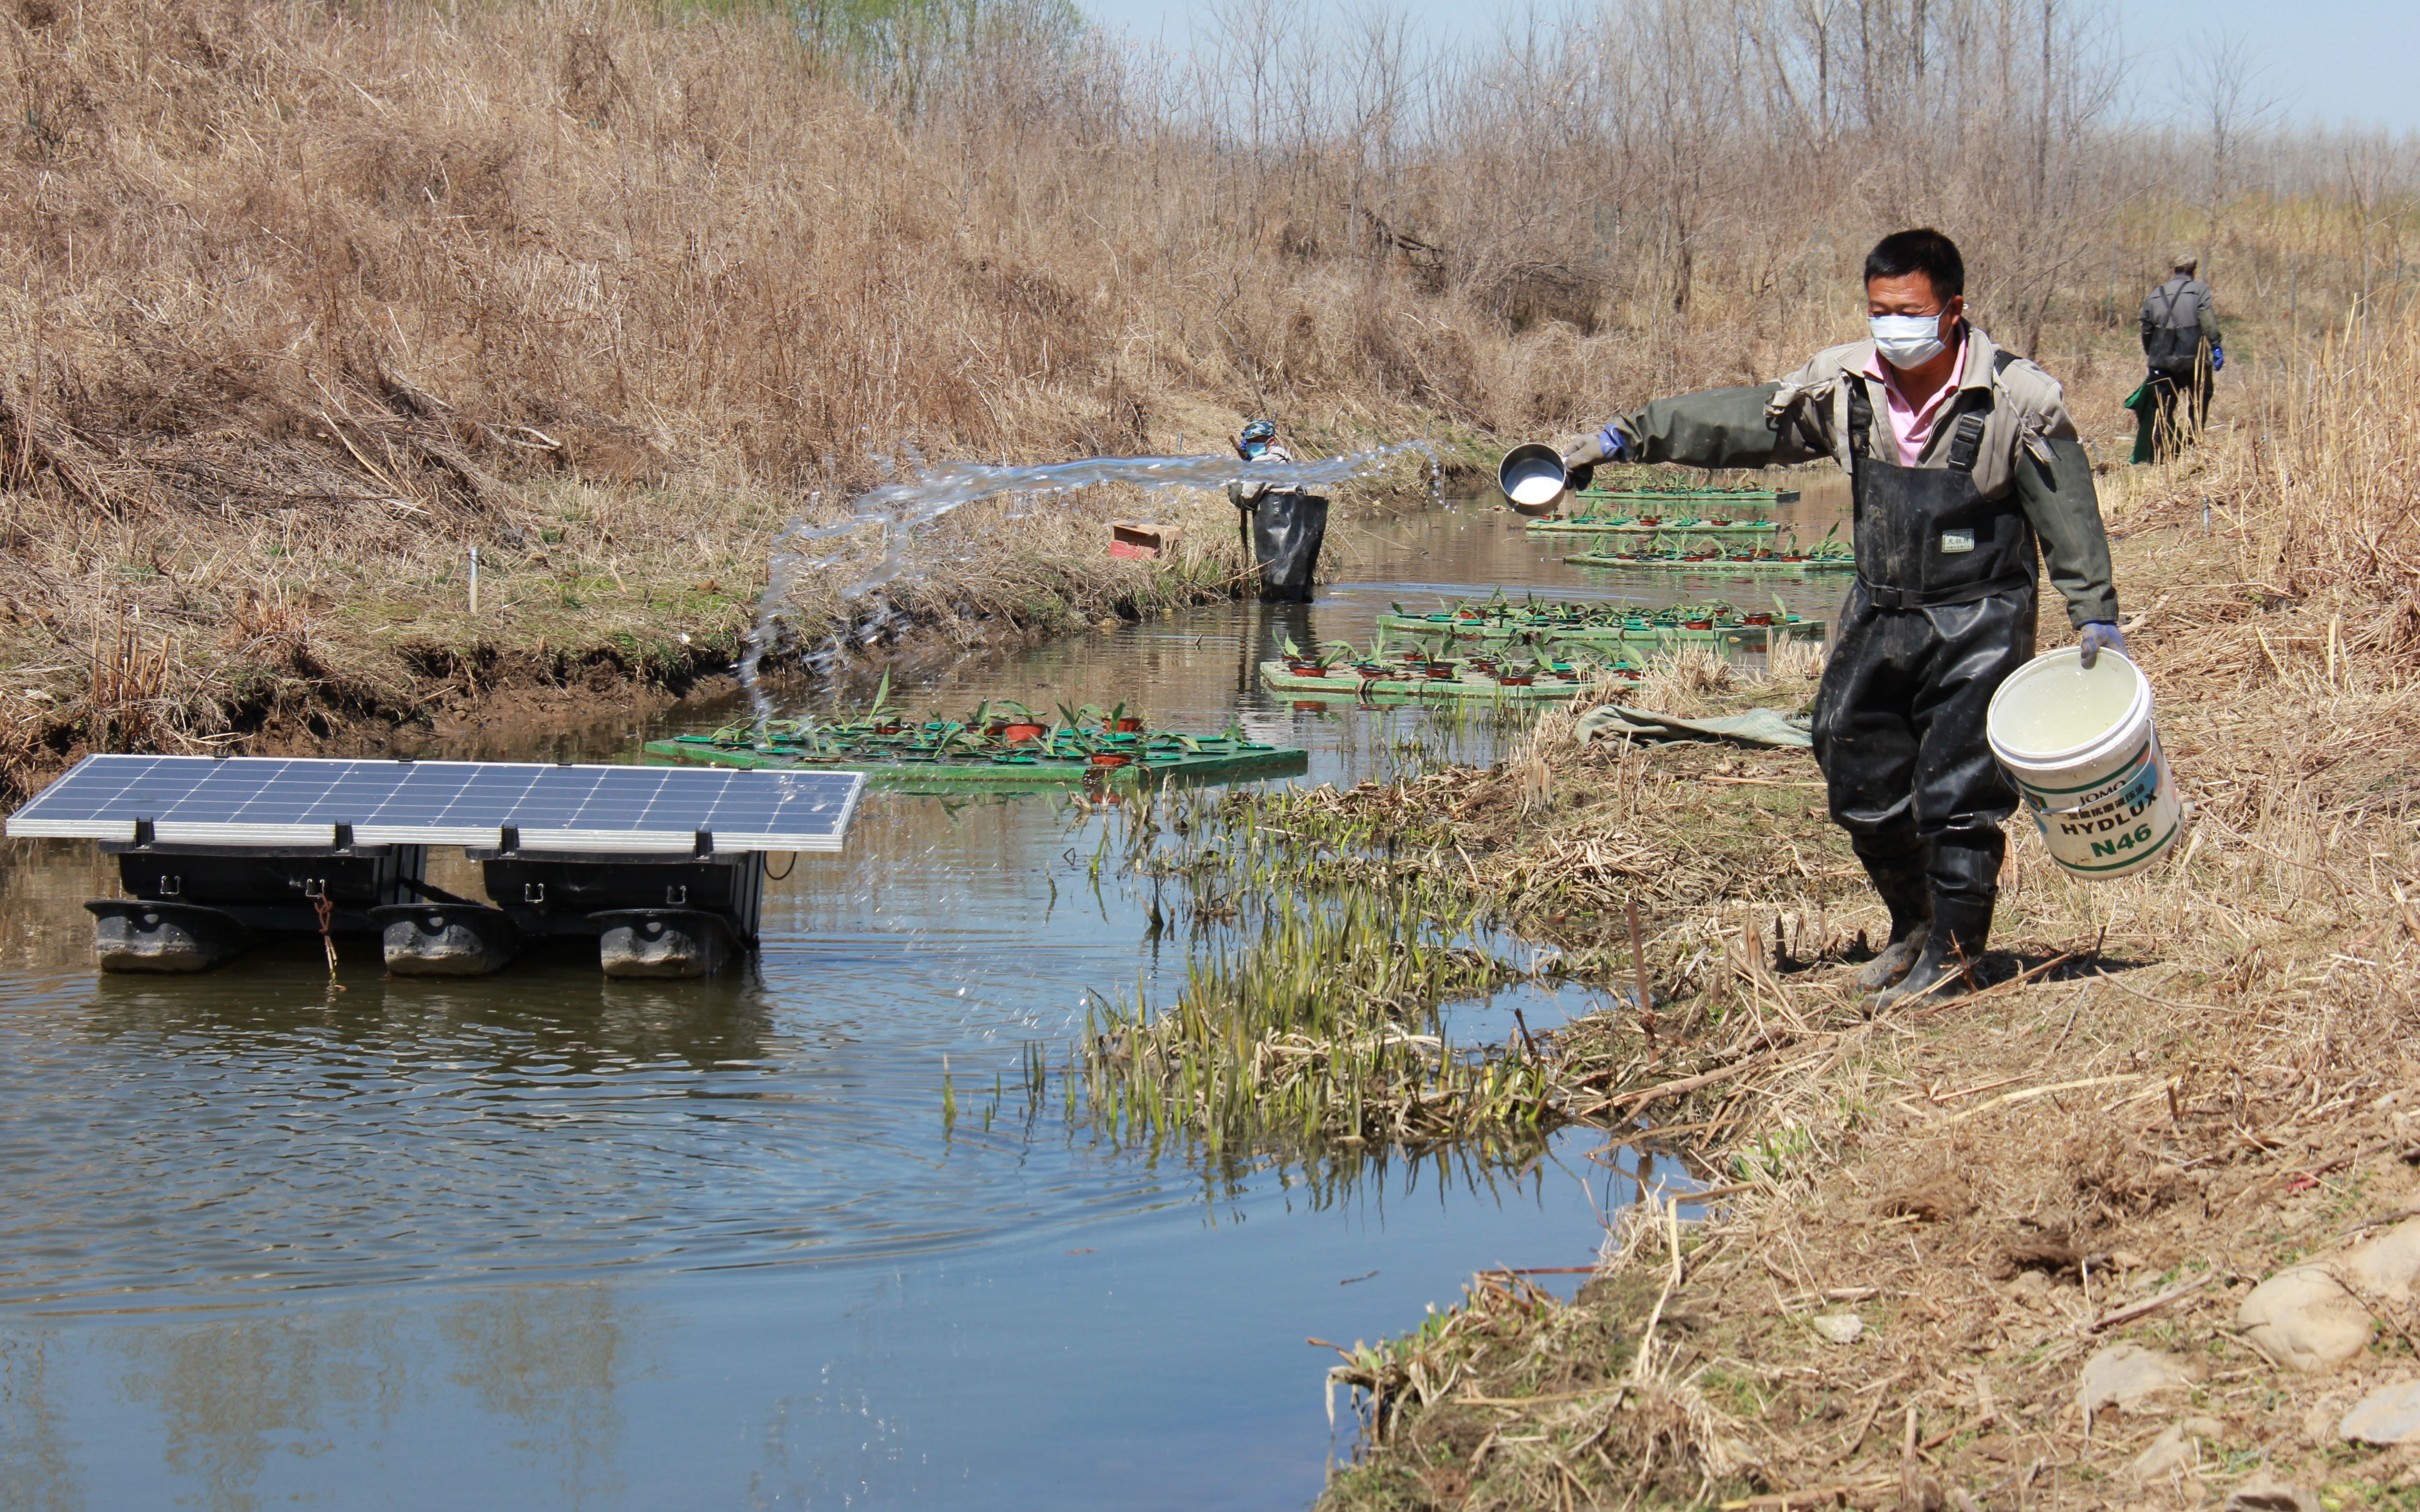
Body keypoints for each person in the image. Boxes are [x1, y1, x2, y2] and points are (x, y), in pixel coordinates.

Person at [1558, 228, 2125, 1006]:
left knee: (1958, 795)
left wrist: (2093, 612)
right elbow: (1745, 423)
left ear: (1951, 311)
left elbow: (2064, 508)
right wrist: (1628, 437)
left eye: (1909, 310)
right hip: (1881, 606)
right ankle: (1915, 925)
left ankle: (1957, 955)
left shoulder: (2016, 397)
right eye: (1877, 310)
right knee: (1851, 765)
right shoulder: (1843, 383)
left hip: (1980, 613)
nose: (1892, 326)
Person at [1226, 419, 1327, 603]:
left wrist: (1235, 481)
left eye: (1258, 440)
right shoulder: (1287, 461)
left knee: (1277, 590)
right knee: (1295, 584)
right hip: (1299, 518)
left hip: (1278, 517)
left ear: (1271, 442)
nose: (1251, 445)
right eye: (1250, 442)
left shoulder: (1265, 461)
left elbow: (1247, 498)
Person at [2138, 254, 2222, 459]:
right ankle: (2195, 442)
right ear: (2193, 272)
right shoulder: (2199, 290)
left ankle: (2161, 450)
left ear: (2173, 271)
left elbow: (2146, 330)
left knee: (2162, 407)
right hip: (2192, 359)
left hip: (2162, 360)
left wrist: (2153, 354)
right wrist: (2216, 345)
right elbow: (2208, 320)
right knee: (2200, 399)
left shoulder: (2155, 295)